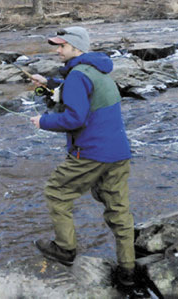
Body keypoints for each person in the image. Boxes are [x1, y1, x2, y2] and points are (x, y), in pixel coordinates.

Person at [29, 26, 135, 287]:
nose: (57, 50)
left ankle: (65, 249)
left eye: (61, 46)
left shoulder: (77, 75)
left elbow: (75, 117)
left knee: (56, 192)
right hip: (118, 153)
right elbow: (72, 95)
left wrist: (43, 122)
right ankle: (128, 271)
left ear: (76, 48)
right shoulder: (97, 70)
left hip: (90, 153)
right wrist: (46, 85)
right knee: (119, 211)